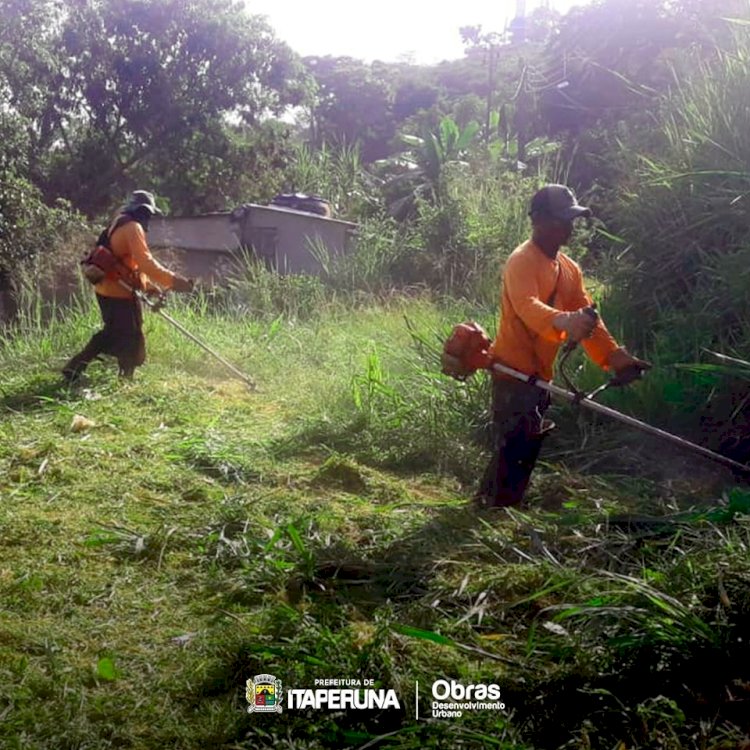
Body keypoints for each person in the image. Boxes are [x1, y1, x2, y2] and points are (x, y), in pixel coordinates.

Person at [475, 184, 651, 508]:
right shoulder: (521, 261)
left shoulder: (569, 269)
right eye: (562, 219)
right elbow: (526, 306)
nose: (569, 226)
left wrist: (614, 358)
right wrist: (563, 321)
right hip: (512, 372)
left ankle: (496, 507)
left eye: (571, 219)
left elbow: (589, 319)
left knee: (527, 444)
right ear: (539, 220)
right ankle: (493, 509)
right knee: (514, 443)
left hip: (542, 374)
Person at [62, 190, 194, 382]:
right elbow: (146, 262)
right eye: (148, 214)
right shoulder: (133, 227)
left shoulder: (118, 222)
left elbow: (127, 263)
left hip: (107, 289)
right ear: (142, 211)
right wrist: (174, 281)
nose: (148, 219)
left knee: (119, 333)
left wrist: (148, 286)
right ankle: (97, 373)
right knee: (128, 336)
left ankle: (95, 372)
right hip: (119, 293)